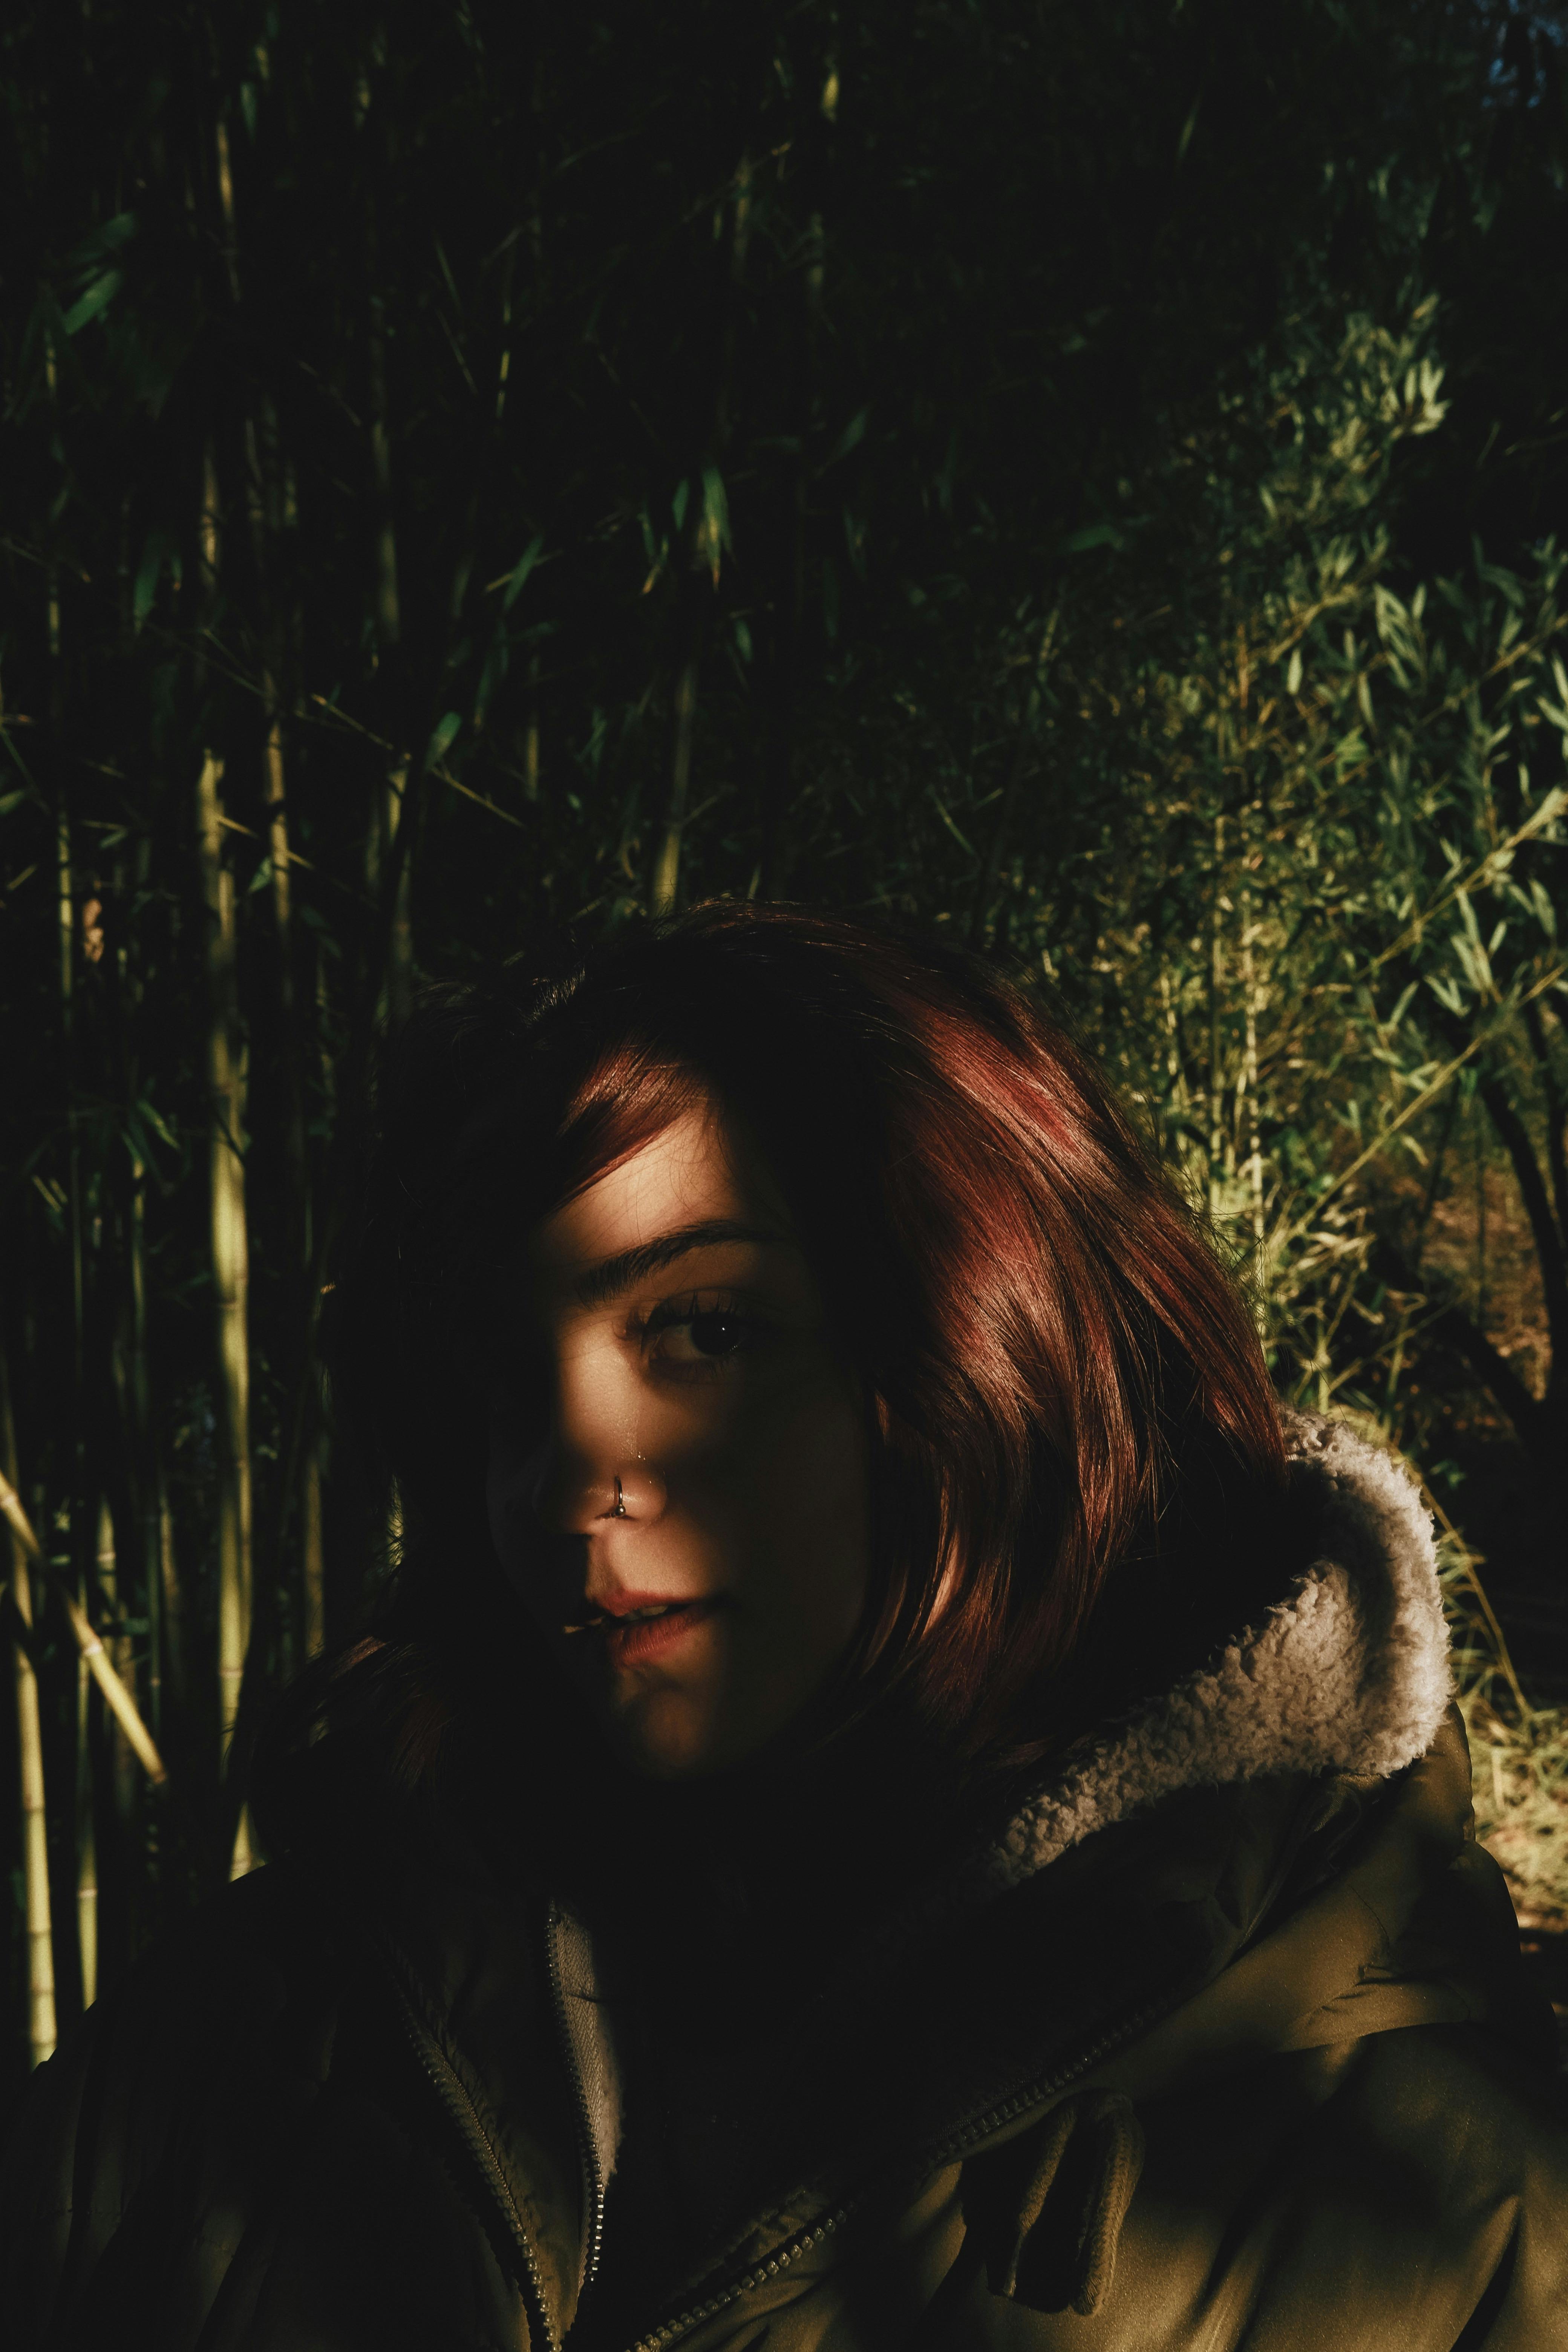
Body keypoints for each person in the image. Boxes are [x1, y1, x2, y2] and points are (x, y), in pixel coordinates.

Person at [3, 903, 1564, 2352]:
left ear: (991, 1346)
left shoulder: (1444, 2211)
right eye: (502, 1376)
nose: (565, 1479)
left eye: (704, 1330)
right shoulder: (259, 2036)